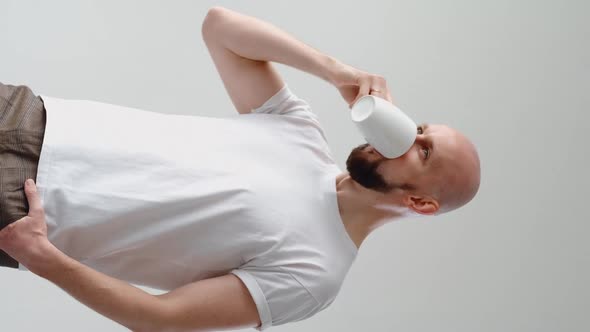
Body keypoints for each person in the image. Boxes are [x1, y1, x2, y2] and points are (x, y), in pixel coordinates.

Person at [0, 6, 480, 332]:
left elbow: (159, 319)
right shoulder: (303, 134)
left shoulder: (316, 275)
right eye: (418, 128)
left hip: (25, 206)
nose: (409, 137)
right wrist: (335, 70)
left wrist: (44, 257)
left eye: (423, 151)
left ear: (420, 201)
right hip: (30, 114)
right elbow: (220, 27)